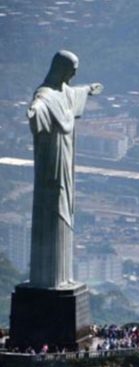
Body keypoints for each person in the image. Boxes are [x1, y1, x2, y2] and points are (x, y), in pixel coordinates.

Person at [27, 50, 103, 288]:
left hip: (66, 159)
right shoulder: (46, 95)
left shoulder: (64, 92)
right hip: (52, 162)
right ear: (60, 68)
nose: (74, 74)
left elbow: (72, 93)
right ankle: (49, 278)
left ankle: (62, 277)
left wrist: (88, 89)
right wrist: (35, 111)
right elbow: (39, 104)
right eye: (72, 69)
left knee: (66, 208)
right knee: (53, 207)